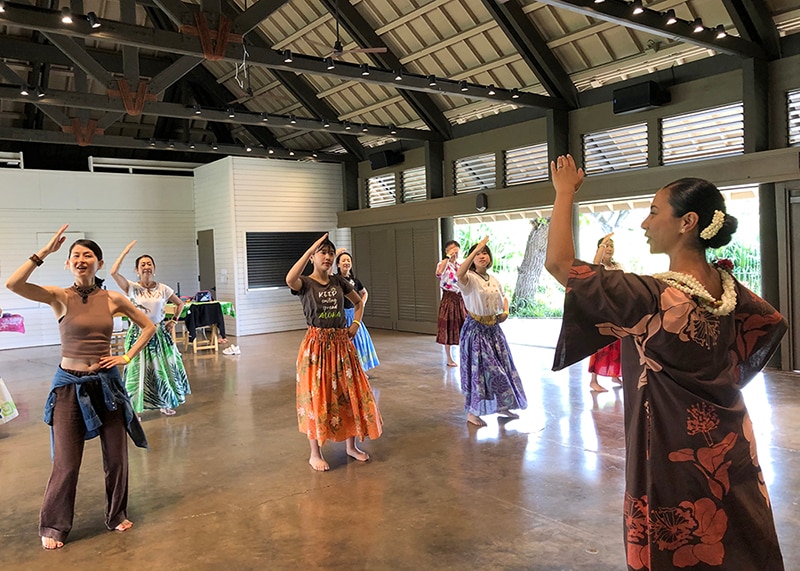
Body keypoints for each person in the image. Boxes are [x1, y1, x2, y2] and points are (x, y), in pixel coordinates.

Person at [545, 154, 787, 570]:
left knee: (679, 537)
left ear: (687, 222)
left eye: (654, 212)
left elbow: (559, 265)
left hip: (672, 448)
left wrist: (564, 191)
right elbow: (769, 324)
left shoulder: (655, 297)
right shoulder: (729, 290)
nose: (645, 223)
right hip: (729, 440)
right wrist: (719, 382)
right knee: (739, 533)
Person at [5, 225, 156, 550]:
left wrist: (126, 356)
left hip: (107, 385)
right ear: (68, 263)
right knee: (66, 461)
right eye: (75, 255)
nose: (81, 259)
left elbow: (148, 326)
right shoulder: (59, 296)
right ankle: (54, 525)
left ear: (99, 263)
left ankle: (116, 514)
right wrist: (44, 252)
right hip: (69, 386)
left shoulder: (113, 298)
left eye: (88, 255)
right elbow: (13, 284)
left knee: (117, 458)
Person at [286, 234, 382, 471]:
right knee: (317, 397)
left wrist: (355, 324)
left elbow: (358, 303)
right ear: (313, 257)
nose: (328, 257)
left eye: (331, 253)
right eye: (323, 253)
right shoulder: (305, 283)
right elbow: (290, 278)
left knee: (349, 394)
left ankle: (351, 446)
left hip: (341, 344)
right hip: (316, 347)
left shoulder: (339, 281)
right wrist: (311, 247)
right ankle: (315, 453)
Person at [110, 241, 191, 416]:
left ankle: (164, 402)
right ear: (137, 270)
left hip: (159, 334)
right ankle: (133, 409)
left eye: (149, 264)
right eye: (142, 265)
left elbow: (180, 303)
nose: (146, 267)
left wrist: (174, 320)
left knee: (162, 369)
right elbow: (113, 272)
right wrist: (125, 252)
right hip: (138, 334)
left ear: (154, 268)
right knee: (136, 370)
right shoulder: (131, 288)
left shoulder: (163, 288)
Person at [456, 237, 527, 427]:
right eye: (477, 253)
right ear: (472, 258)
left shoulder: (493, 279)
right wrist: (475, 249)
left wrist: (505, 312)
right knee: (483, 371)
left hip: (494, 330)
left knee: (504, 368)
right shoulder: (469, 279)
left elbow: (504, 298)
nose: (482, 256)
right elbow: (459, 273)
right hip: (476, 331)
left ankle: (503, 406)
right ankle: (473, 412)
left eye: (484, 253)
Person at [587, 234, 623, 392]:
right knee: (599, 344)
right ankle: (593, 380)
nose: (609, 248)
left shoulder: (618, 265)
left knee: (617, 343)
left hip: (616, 308)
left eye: (611, 246)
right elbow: (595, 264)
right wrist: (602, 243)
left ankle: (615, 374)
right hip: (601, 308)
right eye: (606, 246)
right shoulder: (598, 266)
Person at [334, 250, 380, 372]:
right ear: (338, 264)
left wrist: (361, 304)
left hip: (353, 315)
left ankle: (360, 370)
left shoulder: (355, 281)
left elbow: (365, 293)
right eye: (343, 260)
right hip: (341, 315)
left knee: (358, 342)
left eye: (348, 260)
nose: (346, 262)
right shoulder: (335, 280)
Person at [435, 240, 467, 367]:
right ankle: (449, 358)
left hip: (461, 298)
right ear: (446, 251)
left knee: (464, 327)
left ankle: (465, 356)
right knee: (448, 327)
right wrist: (448, 257)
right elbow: (439, 272)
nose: (454, 252)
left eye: (456, 249)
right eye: (451, 249)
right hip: (448, 298)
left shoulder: (460, 265)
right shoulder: (442, 264)